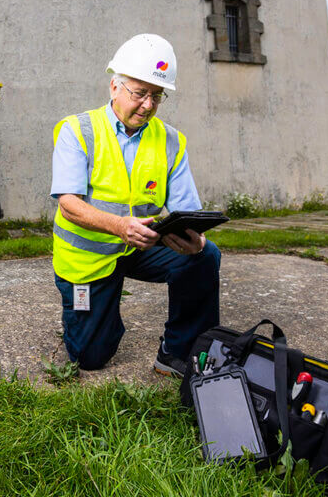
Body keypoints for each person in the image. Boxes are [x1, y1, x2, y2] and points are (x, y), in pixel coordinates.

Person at [51, 34, 221, 377]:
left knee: (205, 256)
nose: (147, 105)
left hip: (142, 245)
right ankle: (93, 314)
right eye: (139, 93)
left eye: (157, 96)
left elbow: (186, 208)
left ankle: (179, 352)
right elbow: (69, 204)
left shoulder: (170, 140)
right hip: (88, 258)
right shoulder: (77, 130)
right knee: (90, 357)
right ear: (115, 87)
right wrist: (119, 227)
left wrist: (195, 238)